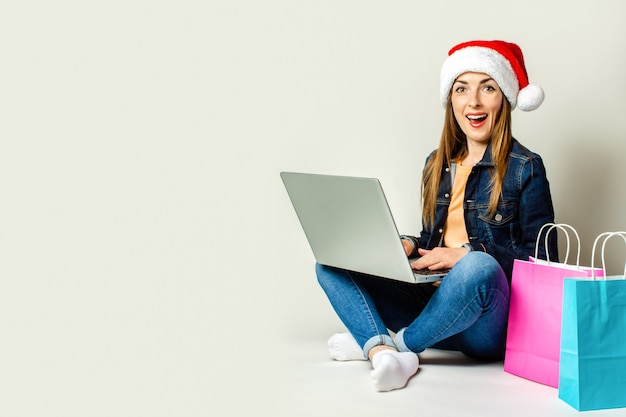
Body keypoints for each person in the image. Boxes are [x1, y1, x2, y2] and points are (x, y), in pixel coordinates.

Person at [315, 40, 557, 392]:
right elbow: (433, 240)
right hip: (432, 310)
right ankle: (384, 349)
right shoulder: (436, 163)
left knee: (477, 266)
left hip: (482, 325)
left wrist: (471, 253)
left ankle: (388, 346)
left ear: (503, 98)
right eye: (462, 89)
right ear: (451, 101)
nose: (473, 101)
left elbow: (547, 261)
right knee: (331, 261)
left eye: (487, 87)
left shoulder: (526, 168)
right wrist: (407, 245)